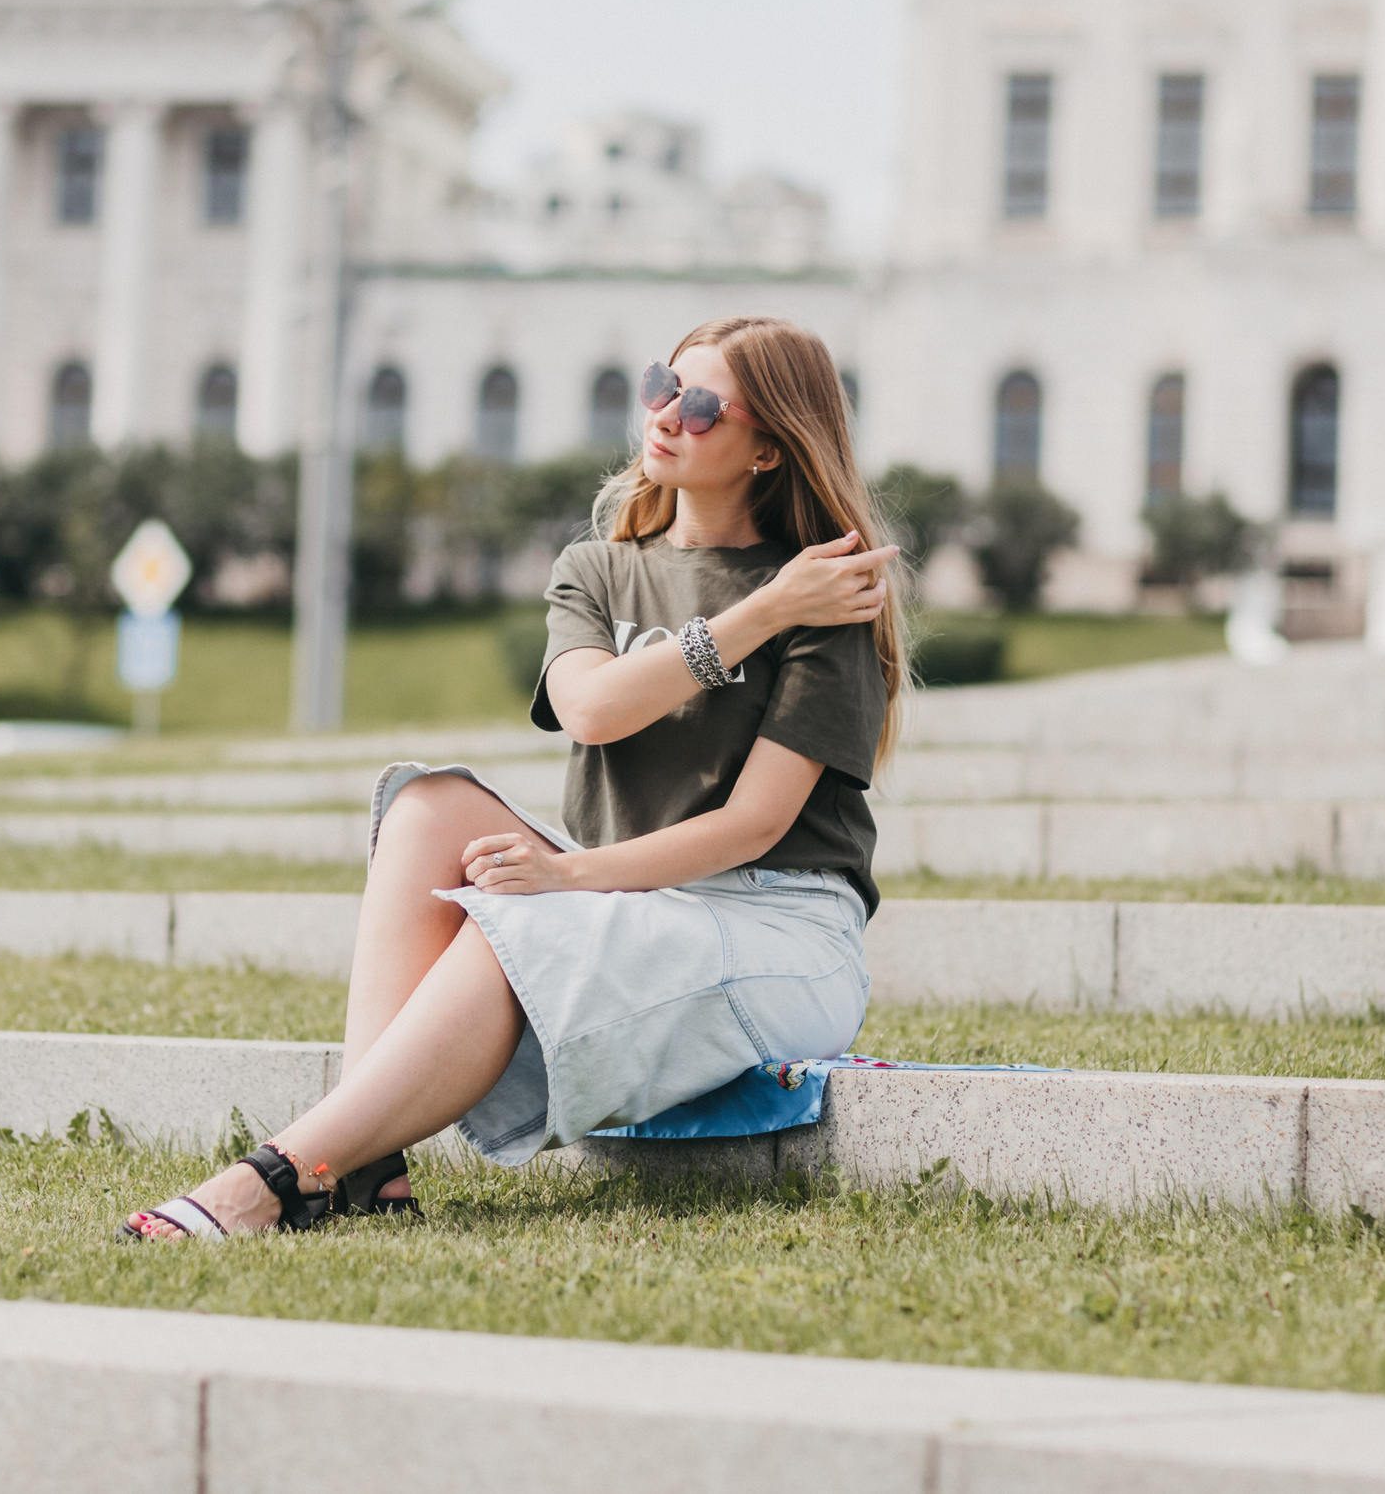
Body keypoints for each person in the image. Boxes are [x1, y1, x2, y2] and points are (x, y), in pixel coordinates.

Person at [121, 316, 905, 1239]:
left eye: (700, 406)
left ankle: (277, 1177)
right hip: (628, 891)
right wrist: (756, 614)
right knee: (427, 803)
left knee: (521, 916)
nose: (664, 414)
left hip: (773, 922)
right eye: (662, 384)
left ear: (769, 447)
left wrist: (567, 877)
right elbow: (594, 710)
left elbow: (753, 825)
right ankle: (367, 1159)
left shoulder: (823, 596)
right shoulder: (601, 570)